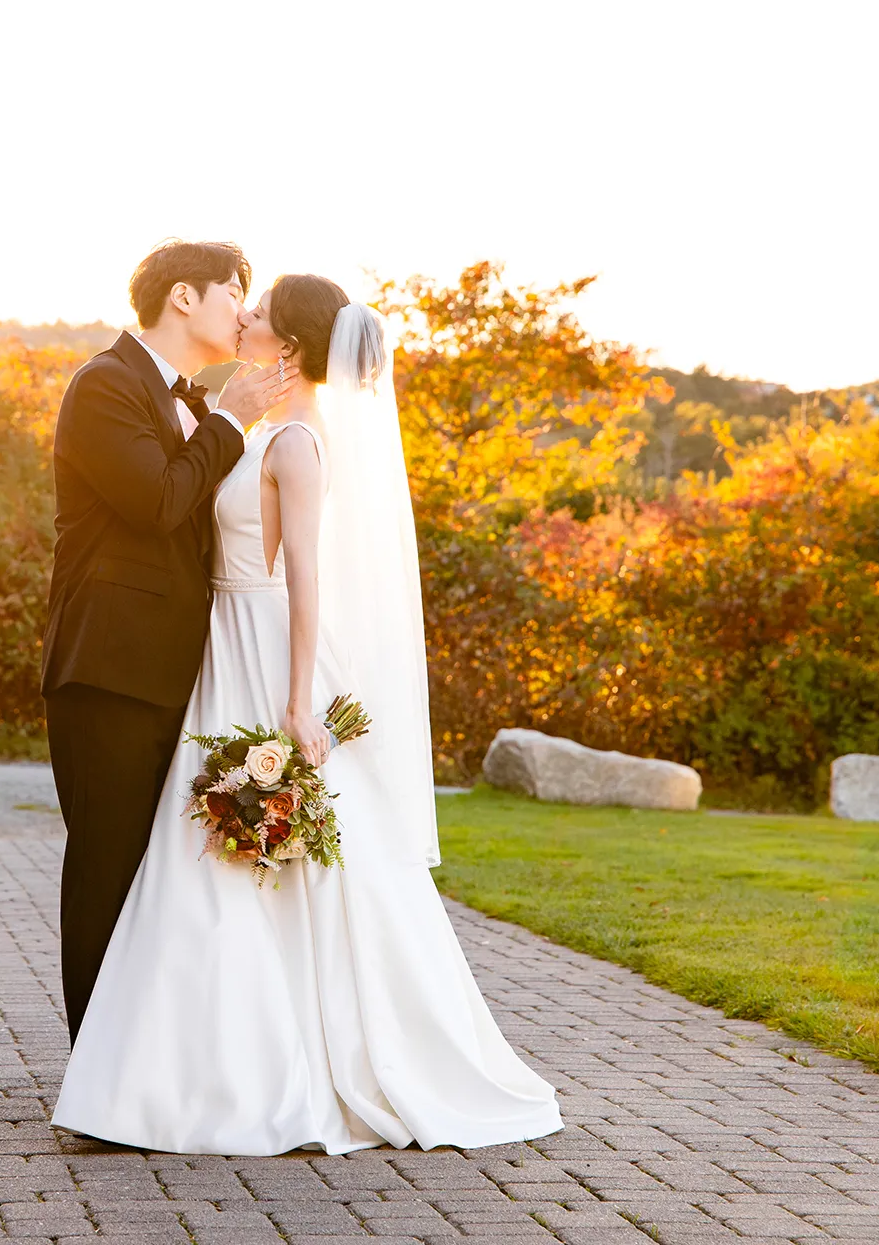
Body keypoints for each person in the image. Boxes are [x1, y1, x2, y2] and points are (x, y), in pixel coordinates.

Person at [51, 276, 564, 1154]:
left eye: (255, 314)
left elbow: (307, 580)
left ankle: (288, 1058)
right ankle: (181, 1061)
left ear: (285, 344)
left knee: (265, 855)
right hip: (220, 646)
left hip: (262, 649)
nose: (240, 318)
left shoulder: (294, 439)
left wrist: (296, 699)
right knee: (199, 857)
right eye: (235, 303)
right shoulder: (250, 427)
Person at [43, 240, 297, 1042]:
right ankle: (97, 1067)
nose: (243, 309)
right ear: (183, 298)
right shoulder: (105, 385)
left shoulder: (190, 400)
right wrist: (228, 419)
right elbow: (157, 501)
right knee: (107, 869)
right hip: (111, 670)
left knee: (162, 879)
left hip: (182, 674)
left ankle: (147, 1062)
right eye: (234, 291)